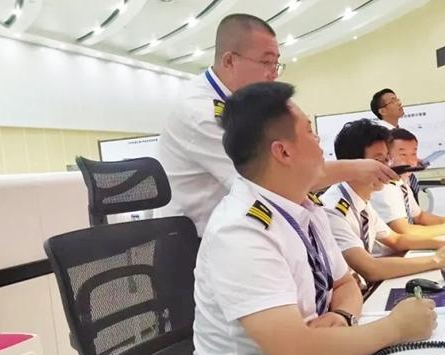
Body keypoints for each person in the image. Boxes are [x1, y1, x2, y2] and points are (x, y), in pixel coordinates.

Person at [185, 82, 436, 355]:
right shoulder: (240, 231)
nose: (319, 141)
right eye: (308, 130)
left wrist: (342, 317)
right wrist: (396, 328)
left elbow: (345, 285)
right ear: (283, 151)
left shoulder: (304, 207)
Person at [159, 14, 396, 235]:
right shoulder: (201, 113)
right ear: (230, 61)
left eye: (276, 64)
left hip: (244, 229)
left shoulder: (245, 105)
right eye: (266, 62)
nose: (273, 74)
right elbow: (274, 180)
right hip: (198, 243)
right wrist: (357, 168)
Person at [322, 120, 445, 282]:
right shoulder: (333, 209)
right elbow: (370, 269)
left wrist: (442, 243)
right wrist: (436, 260)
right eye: (378, 161)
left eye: (387, 160)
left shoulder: (361, 201)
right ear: (352, 165)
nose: (387, 168)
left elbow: (396, 239)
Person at [371, 128, 445, 238]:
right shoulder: (384, 188)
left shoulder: (401, 183)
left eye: (413, 154)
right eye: (403, 155)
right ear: (387, 157)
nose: (411, 161)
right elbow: (404, 231)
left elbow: (419, 216)